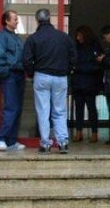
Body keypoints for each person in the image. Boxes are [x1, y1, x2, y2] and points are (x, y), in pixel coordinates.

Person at [23, 8, 77, 155]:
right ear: (50, 18)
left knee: (43, 111)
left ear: (37, 20)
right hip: (60, 77)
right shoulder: (63, 37)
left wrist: (32, 73)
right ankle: (63, 143)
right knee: (59, 111)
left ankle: (46, 143)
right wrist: (68, 70)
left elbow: (26, 60)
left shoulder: (33, 38)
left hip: (41, 76)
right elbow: (73, 55)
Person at [0, 10, 26, 151]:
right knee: (11, 107)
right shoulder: (0, 38)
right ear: (7, 21)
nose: (17, 21)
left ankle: (11, 141)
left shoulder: (16, 38)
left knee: (17, 108)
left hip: (19, 75)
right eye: (15, 19)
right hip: (10, 75)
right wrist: (6, 72)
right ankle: (0, 139)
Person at [71, 25, 104, 143]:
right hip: (81, 83)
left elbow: (99, 66)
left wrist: (78, 69)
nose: (78, 37)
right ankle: (79, 132)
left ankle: (93, 132)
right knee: (79, 109)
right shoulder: (77, 47)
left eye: (80, 35)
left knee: (91, 109)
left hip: (88, 83)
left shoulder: (93, 47)